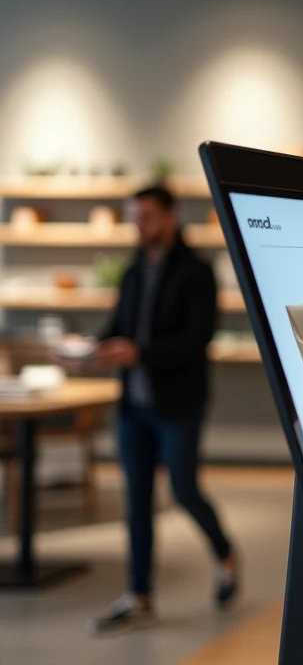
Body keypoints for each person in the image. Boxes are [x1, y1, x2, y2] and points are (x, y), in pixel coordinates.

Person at [89, 185, 237, 635]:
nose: (139, 226)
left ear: (170, 217)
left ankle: (225, 552)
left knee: (184, 489)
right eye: (134, 218)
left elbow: (197, 340)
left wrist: (140, 353)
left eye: (146, 217)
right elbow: (119, 326)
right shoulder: (134, 270)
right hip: (134, 406)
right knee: (137, 502)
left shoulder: (197, 272)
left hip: (177, 404)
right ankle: (139, 596)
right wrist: (90, 350)